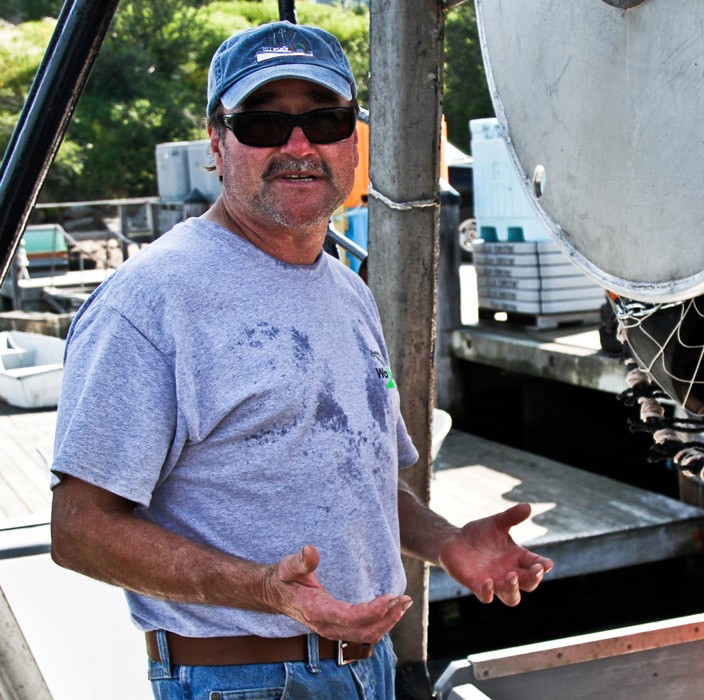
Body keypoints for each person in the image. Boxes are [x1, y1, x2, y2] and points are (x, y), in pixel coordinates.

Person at [48, 21, 552, 698]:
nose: (298, 146)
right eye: (263, 124)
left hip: (363, 668)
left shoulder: (347, 289)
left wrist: (447, 541)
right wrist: (263, 590)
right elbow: (79, 530)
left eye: (324, 120)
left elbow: (354, 483)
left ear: (353, 142)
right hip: (241, 678)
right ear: (217, 146)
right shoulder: (151, 299)